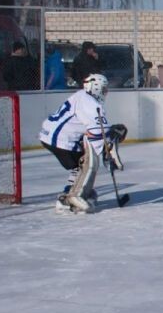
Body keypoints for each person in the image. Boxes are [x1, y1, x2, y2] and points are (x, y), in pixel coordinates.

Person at [38, 73, 127, 213]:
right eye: (104, 89)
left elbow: (96, 129)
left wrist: (109, 134)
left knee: (79, 163)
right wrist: (109, 152)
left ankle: (67, 195)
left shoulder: (82, 96)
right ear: (95, 88)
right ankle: (75, 196)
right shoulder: (90, 103)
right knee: (88, 161)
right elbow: (97, 133)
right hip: (61, 140)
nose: (106, 93)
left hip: (52, 136)